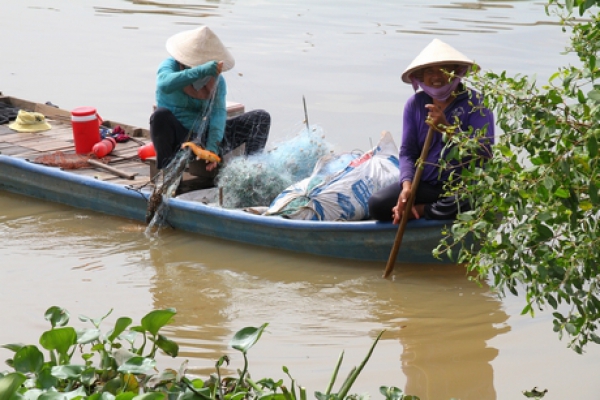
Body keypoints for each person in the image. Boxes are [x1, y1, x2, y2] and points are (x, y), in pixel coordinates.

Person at [368, 38, 495, 223]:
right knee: (377, 205)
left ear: (456, 71)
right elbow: (408, 152)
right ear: (419, 77)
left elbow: (484, 152)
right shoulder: (415, 104)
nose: (436, 77)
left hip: (461, 184)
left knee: (476, 197)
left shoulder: (476, 103)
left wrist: (447, 129)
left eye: (443, 69)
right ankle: (427, 209)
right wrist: (407, 188)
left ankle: (422, 211)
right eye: (429, 71)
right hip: (426, 183)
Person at [150, 26, 271, 172]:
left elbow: (218, 113)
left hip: (204, 137)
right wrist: (201, 71)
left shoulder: (217, 81)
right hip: (179, 138)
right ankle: (166, 171)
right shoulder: (170, 66)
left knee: (261, 118)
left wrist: (212, 147)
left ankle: (250, 172)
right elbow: (164, 84)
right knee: (159, 116)